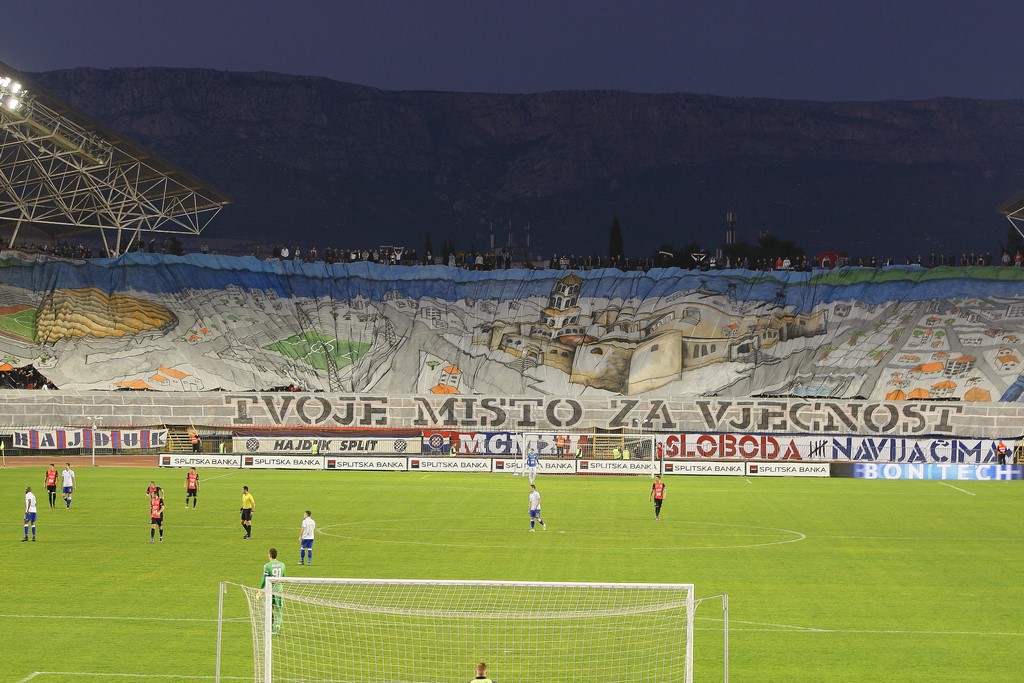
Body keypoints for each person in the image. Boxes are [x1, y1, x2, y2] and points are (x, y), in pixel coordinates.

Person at [261, 548, 285, 634]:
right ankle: (278, 628)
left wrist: (260, 589)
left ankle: (270, 628)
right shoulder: (282, 564)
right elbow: (283, 577)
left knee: (269, 608)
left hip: (270, 590)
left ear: (270, 555)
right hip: (279, 589)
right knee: (279, 609)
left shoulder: (267, 566)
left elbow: (264, 580)